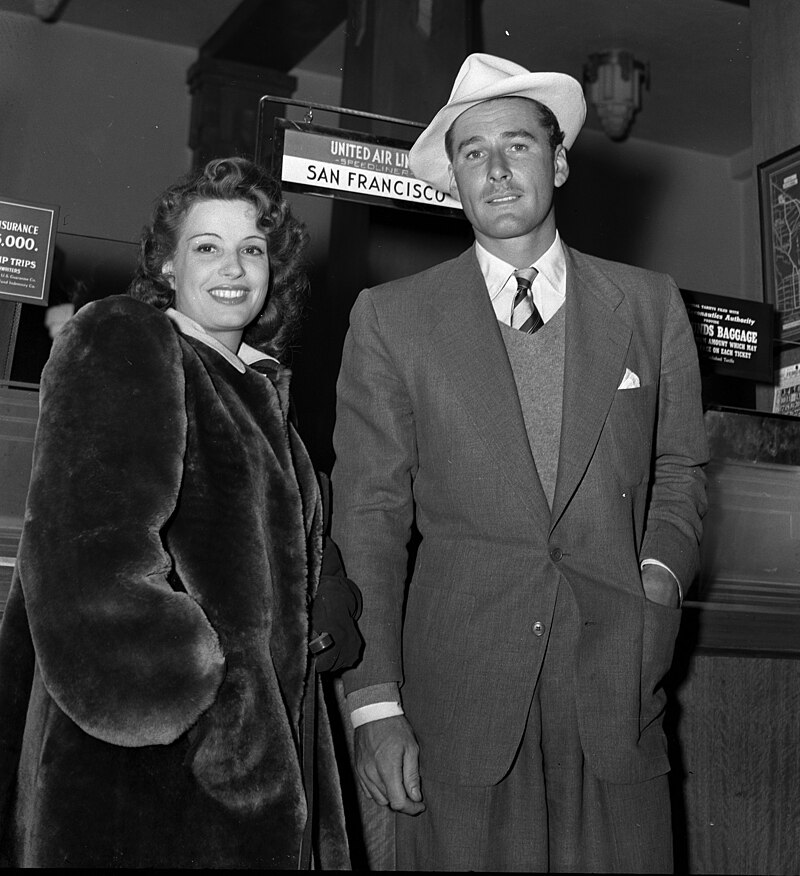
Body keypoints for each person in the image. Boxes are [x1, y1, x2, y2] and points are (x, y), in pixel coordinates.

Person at [330, 54, 708, 872]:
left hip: (617, 688)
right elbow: (368, 517)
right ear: (454, 178)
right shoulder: (391, 321)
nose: (497, 171)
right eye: (473, 153)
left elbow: (681, 471)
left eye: (519, 146)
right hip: (459, 701)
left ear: (561, 160)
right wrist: (374, 704)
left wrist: (658, 584)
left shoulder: (648, 303)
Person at [0, 157, 361, 869]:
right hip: (143, 785)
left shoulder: (263, 403)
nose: (233, 267)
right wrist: (228, 721)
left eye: (252, 249)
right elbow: (92, 566)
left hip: (239, 788)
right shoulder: (129, 339)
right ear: (168, 265)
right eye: (207, 247)